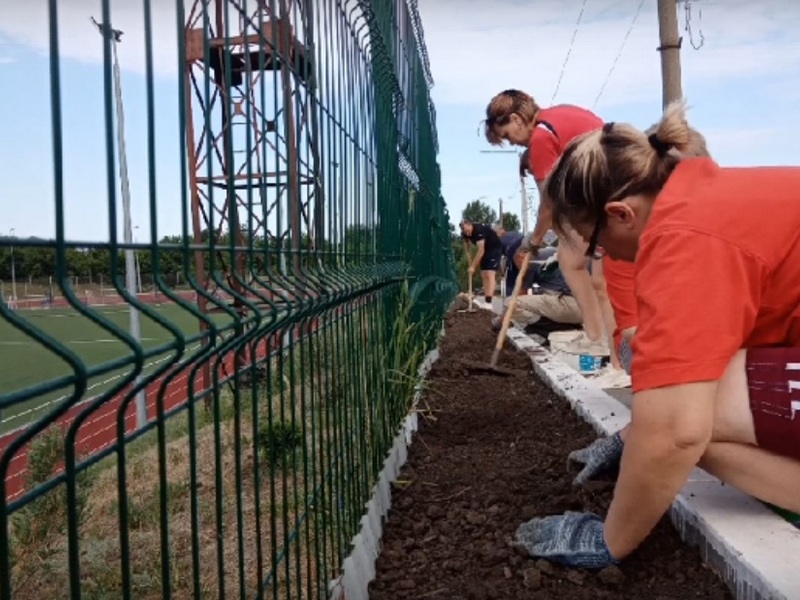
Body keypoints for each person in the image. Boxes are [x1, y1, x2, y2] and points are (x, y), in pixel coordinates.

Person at [513, 100, 800, 570]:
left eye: (597, 242)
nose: (603, 256)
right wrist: (635, 436)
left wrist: (610, 539)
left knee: (689, 419)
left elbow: (675, 431)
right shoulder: (705, 197)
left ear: (622, 213)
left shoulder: (685, 236)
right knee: (675, 412)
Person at [484, 90, 609, 357]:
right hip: (607, 193)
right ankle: (599, 338)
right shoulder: (560, 114)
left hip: (602, 202)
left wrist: (533, 241)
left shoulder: (540, 137)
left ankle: (600, 339)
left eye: (507, 135)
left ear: (516, 119)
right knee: (590, 272)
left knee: (578, 266)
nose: (514, 143)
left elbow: (549, 204)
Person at [492, 233, 582, 333]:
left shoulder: (529, 261)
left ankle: (558, 328)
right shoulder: (552, 252)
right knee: (538, 301)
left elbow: (520, 294)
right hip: (586, 308)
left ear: (520, 255)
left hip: (569, 305)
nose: (517, 268)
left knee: (511, 304)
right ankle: (568, 324)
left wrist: (500, 321)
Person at [460, 219, 503, 305]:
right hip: (485, 251)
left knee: (489, 273)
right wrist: (469, 258)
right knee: (483, 274)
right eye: (464, 231)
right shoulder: (465, 233)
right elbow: (467, 246)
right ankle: (486, 299)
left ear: (470, 225)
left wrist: (473, 266)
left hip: (494, 249)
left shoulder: (479, 230)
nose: (467, 232)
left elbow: (481, 251)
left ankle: (488, 302)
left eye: (467, 230)